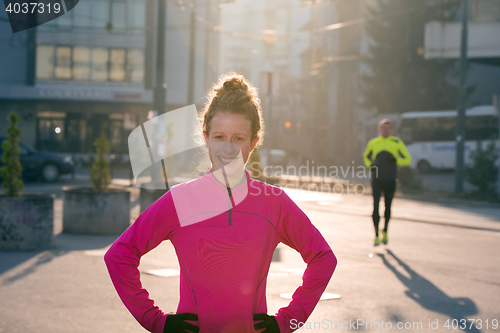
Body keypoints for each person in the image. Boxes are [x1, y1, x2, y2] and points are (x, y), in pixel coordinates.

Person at [104, 73, 337, 333]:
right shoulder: (180, 200)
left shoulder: (274, 203)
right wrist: (156, 322)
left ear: (254, 141)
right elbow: (119, 256)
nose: (228, 149)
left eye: (238, 138)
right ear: (206, 138)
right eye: (219, 137)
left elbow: (323, 258)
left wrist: (287, 322)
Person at [363, 119, 411, 246]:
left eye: (388, 128)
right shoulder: (373, 142)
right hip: (377, 179)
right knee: (375, 207)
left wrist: (395, 160)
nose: (385, 130)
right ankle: (376, 234)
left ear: (392, 130)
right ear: (379, 129)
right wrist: (370, 165)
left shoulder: (397, 142)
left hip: (390, 179)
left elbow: (407, 160)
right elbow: (366, 156)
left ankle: (385, 230)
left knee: (388, 207)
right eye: (383, 128)